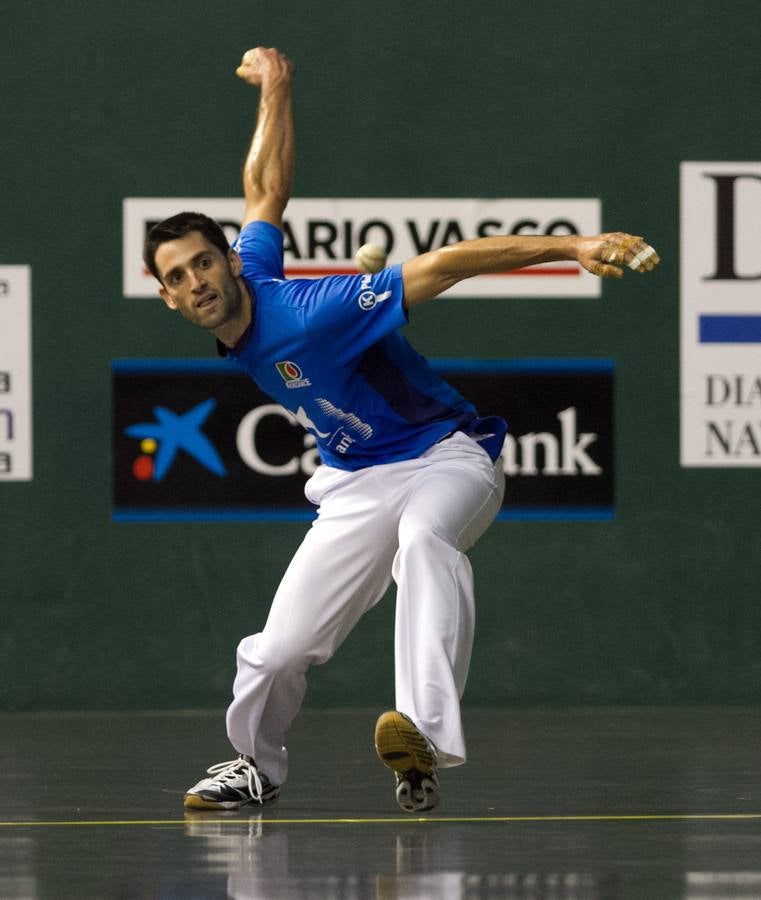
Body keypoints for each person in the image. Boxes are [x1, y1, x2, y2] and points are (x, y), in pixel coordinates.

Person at [143, 47, 660, 813]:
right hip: (356, 478)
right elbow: (264, 191)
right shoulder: (249, 280)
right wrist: (278, 86)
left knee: (425, 544)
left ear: (226, 265)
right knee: (277, 650)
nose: (198, 282)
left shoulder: (313, 312)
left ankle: (421, 730)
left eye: (203, 265)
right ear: (168, 298)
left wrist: (572, 247)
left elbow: (448, 263)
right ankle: (254, 765)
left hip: (446, 456)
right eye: (178, 277)